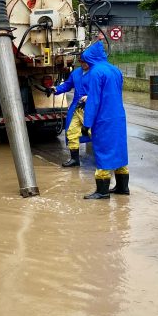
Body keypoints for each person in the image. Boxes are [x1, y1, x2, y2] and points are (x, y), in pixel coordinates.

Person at [79, 41, 129, 199]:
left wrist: (86, 124)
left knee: (103, 152)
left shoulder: (96, 72)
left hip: (103, 119)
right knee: (119, 150)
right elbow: (111, 93)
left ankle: (102, 191)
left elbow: (94, 101)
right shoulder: (115, 70)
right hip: (118, 117)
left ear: (91, 58)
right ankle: (122, 187)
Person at [46, 60, 90, 167]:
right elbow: (67, 85)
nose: (84, 64)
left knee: (96, 133)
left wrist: (90, 98)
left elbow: (101, 91)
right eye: (82, 61)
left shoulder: (96, 73)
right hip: (76, 107)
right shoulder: (76, 73)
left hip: (90, 108)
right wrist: (55, 89)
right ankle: (75, 159)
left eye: (86, 62)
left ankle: (110, 159)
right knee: (71, 132)